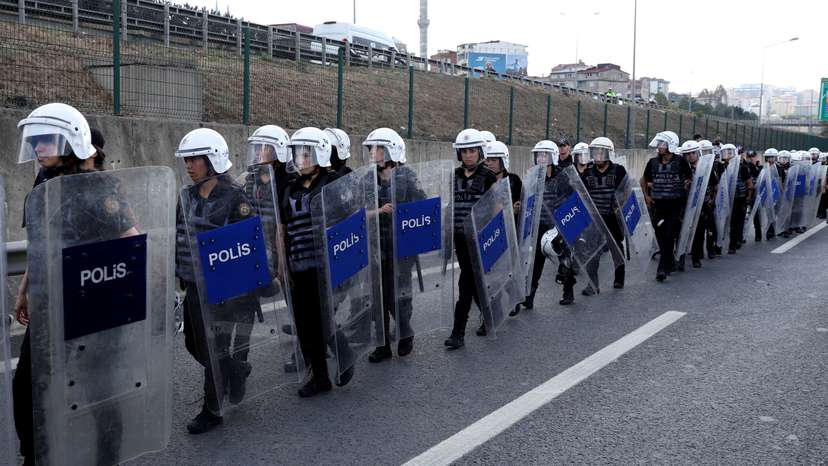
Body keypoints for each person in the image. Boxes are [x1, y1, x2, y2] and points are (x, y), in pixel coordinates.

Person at [14, 103, 133, 464]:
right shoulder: (43, 183)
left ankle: (107, 456)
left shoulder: (97, 187)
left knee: (99, 389)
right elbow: (42, 243)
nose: (38, 149)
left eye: (47, 142)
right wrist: (24, 290)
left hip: (92, 303)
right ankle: (37, 455)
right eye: (36, 142)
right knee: (27, 386)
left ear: (71, 143)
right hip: (50, 302)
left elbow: (132, 240)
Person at [174, 128, 258, 433]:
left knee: (213, 347)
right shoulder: (186, 195)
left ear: (213, 160)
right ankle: (237, 369)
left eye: (195, 158)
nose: (189, 165)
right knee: (193, 345)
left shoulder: (235, 197)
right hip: (193, 284)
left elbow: (248, 244)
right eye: (187, 159)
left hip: (223, 290)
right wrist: (178, 273)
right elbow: (179, 236)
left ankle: (212, 410)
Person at [363, 127, 423, 362]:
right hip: (376, 247)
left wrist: (404, 214)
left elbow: (422, 206)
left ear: (391, 151)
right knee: (378, 298)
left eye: (377, 148)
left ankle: (406, 333)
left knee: (399, 295)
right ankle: (383, 344)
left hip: (401, 249)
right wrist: (376, 211)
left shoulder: (406, 177)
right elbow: (357, 209)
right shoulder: (368, 179)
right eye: (372, 148)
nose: (373, 152)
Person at [444, 129, 497, 350]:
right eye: (464, 151)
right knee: (474, 282)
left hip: (478, 239)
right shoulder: (454, 176)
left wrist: (489, 236)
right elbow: (451, 206)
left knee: (465, 284)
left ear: (480, 152)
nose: (468, 155)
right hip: (459, 238)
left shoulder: (488, 177)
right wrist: (446, 232)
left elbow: (495, 208)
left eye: (472, 150)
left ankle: (458, 333)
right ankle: (490, 315)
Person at [523, 140, 578, 307]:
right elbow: (528, 199)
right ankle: (529, 296)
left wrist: (564, 224)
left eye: (544, 155)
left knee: (564, 259)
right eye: (538, 155)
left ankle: (568, 291)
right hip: (539, 224)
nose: (541, 158)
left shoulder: (563, 176)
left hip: (558, 225)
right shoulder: (532, 177)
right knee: (537, 262)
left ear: (552, 156)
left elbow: (572, 200)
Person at [640, 131, 692, 282]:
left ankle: (662, 268)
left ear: (671, 145)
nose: (659, 147)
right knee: (661, 236)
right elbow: (643, 180)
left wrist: (686, 185)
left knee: (669, 234)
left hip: (675, 205)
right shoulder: (652, 163)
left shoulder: (681, 161)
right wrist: (646, 196)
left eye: (662, 144)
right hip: (658, 205)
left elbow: (689, 178)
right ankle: (669, 262)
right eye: (659, 143)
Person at [481, 140, 523, 320]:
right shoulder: (482, 179)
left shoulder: (513, 180)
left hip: (508, 229)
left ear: (502, 160)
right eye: (487, 159)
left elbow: (524, 203)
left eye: (493, 159)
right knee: (491, 274)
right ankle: (493, 307)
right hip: (488, 230)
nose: (489, 163)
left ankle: (513, 296)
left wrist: (517, 208)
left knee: (506, 270)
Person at [580, 137, 626, 293]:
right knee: (593, 251)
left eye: (601, 152)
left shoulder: (619, 170)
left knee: (616, 248)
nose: (598, 155)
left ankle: (619, 278)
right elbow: (582, 194)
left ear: (607, 153)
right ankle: (593, 284)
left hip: (613, 217)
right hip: (595, 218)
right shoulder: (587, 172)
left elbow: (626, 191)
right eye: (596, 152)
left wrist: (619, 207)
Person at [682, 140, 718, 268]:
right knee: (683, 230)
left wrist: (711, 200)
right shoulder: (682, 168)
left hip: (703, 203)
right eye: (687, 154)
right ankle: (680, 258)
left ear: (698, 153)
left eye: (692, 153)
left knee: (700, 230)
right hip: (686, 204)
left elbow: (715, 185)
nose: (690, 156)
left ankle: (697, 256)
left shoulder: (706, 167)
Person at [720, 144, 753, 253]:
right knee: (720, 222)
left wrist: (748, 197)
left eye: (730, 152)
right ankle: (717, 245)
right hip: (723, 199)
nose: (727, 155)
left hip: (738, 199)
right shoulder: (720, 167)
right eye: (725, 153)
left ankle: (733, 245)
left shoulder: (742, 168)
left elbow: (749, 184)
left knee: (736, 223)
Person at [744, 150, 763, 242]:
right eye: (749, 157)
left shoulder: (758, 167)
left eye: (753, 157)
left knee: (755, 214)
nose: (751, 159)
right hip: (746, 192)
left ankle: (758, 234)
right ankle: (742, 236)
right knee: (744, 216)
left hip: (754, 193)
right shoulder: (747, 166)